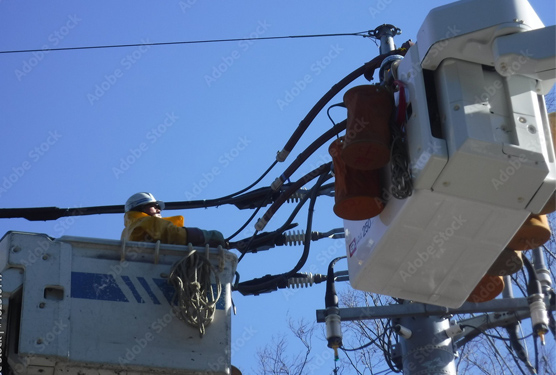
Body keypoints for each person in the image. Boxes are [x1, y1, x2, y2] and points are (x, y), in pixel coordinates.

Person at [121, 192, 227, 247]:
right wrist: (209, 236)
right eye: (154, 206)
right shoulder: (147, 222)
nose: (159, 210)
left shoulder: (128, 231)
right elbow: (174, 234)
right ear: (141, 208)